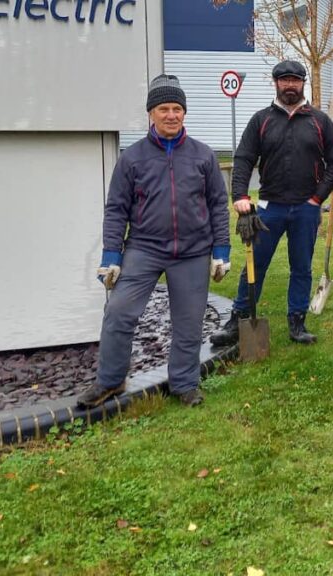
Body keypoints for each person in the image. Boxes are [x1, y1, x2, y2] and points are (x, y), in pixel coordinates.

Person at [78, 75, 230, 408]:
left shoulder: (203, 157)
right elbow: (117, 208)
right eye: (164, 109)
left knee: (189, 323)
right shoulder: (132, 158)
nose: (171, 115)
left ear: (184, 113)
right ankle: (111, 381)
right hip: (144, 248)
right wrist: (111, 255)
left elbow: (219, 203)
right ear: (151, 113)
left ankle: (185, 384)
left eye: (177, 109)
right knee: (118, 312)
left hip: (192, 253)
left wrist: (221, 250)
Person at [211, 60, 333, 347]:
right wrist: (240, 196)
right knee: (255, 265)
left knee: (301, 267)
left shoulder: (319, 121)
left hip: (306, 209)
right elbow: (244, 158)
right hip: (269, 208)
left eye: (295, 80)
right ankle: (239, 318)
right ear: (275, 83)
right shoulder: (262, 120)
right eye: (284, 80)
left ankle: (297, 321)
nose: (289, 85)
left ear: (303, 83)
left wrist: (317, 197)